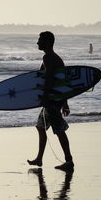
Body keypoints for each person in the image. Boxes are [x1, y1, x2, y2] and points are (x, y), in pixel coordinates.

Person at [27, 31, 74, 171]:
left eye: (40, 40)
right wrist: (65, 103)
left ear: (46, 42)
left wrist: (45, 98)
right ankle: (39, 159)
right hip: (54, 99)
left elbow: (48, 81)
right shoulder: (54, 58)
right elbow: (63, 81)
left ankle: (69, 161)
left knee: (59, 130)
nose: (37, 42)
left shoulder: (48, 58)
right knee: (40, 127)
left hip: (52, 100)